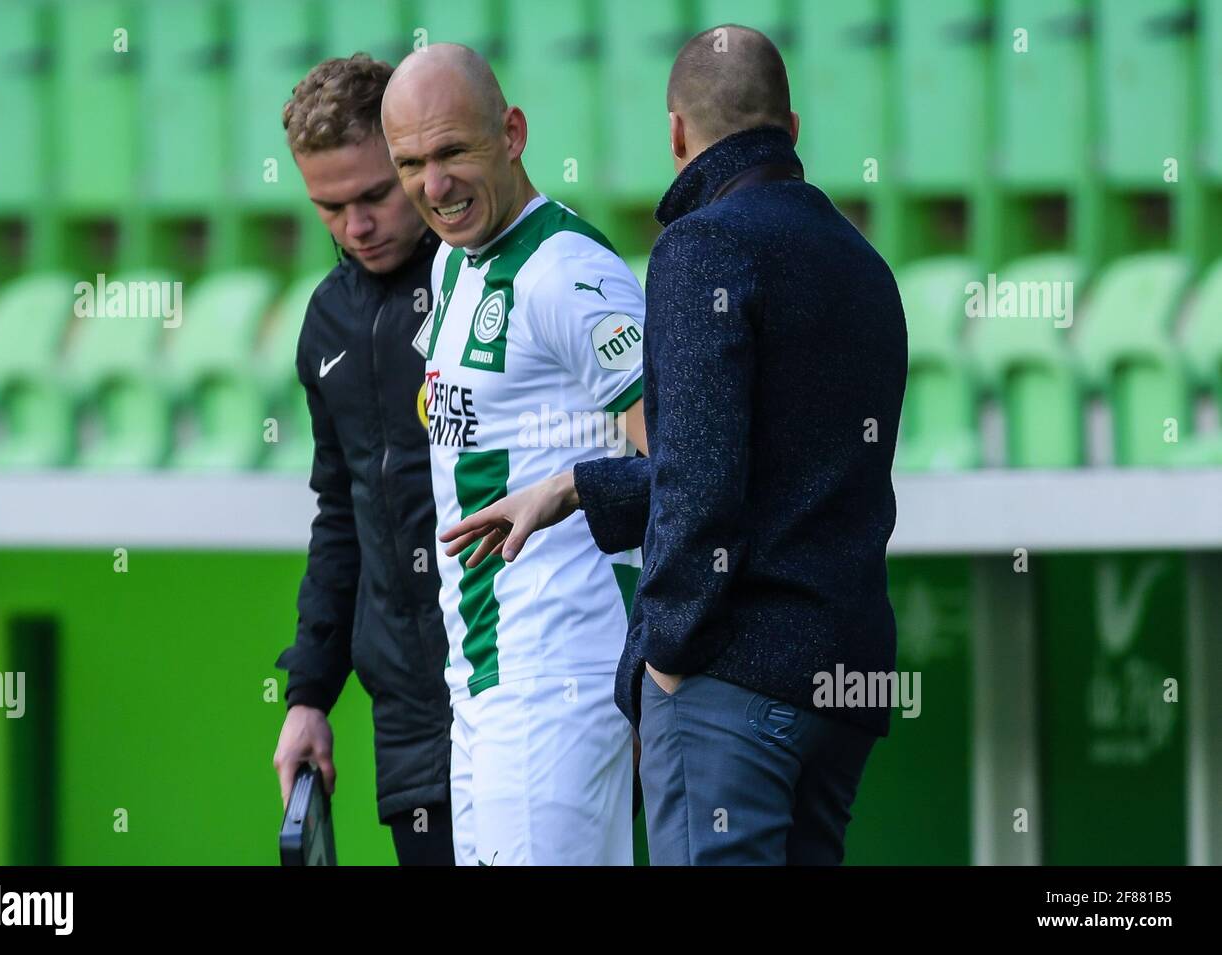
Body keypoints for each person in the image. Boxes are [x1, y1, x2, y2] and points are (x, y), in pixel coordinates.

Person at [442, 25, 908, 865]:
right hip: (845, 679)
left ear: (676, 134)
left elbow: (700, 476)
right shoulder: (863, 261)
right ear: (792, 129)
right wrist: (579, 486)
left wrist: (666, 655)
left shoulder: (704, 245)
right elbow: (777, 462)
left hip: (730, 676)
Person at [379, 43, 649, 865]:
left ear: (514, 133)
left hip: (558, 670)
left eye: (454, 151)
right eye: (412, 163)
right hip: (486, 674)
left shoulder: (565, 271)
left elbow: (684, 459)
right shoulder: (455, 264)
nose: (435, 185)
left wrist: (568, 487)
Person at [271, 54, 453, 866]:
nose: (356, 226)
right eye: (329, 207)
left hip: (523, 696)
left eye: (375, 195)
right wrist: (309, 694)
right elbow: (341, 515)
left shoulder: (487, 287)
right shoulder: (328, 323)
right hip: (408, 718)